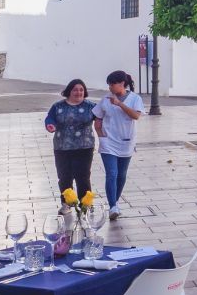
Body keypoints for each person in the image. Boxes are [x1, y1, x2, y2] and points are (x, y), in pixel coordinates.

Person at [92, 70, 143, 220]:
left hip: (126, 141)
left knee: (121, 175)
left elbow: (136, 116)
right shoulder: (106, 99)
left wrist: (120, 104)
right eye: (109, 84)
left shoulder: (135, 98)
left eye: (112, 84)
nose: (110, 87)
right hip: (108, 142)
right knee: (112, 173)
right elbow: (98, 118)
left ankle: (115, 202)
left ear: (122, 83)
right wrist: (100, 135)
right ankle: (113, 206)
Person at [44, 79, 95, 211]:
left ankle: (85, 204)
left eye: (81, 90)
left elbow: (104, 117)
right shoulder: (58, 106)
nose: (79, 92)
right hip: (62, 147)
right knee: (64, 176)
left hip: (85, 146)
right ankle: (67, 203)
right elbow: (50, 118)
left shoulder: (91, 106)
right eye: (75, 90)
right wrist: (50, 125)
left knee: (83, 176)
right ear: (69, 91)